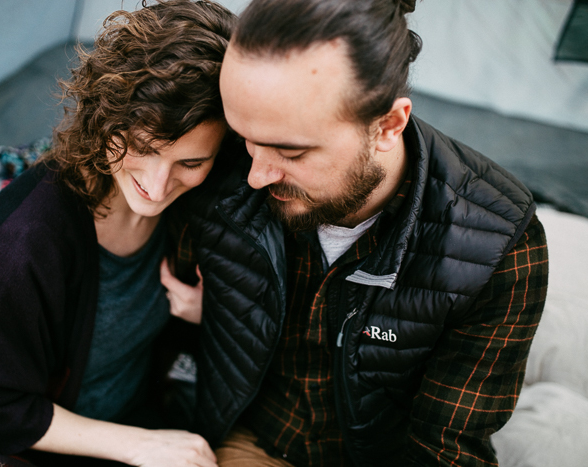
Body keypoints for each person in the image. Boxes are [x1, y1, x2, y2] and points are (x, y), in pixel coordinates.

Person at [167, 0, 549, 465]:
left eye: (291, 152)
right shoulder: (214, 165)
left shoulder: (497, 245)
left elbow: (445, 447)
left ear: (388, 125)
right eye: (246, 138)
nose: (256, 176)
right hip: (245, 438)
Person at [0, 1, 234, 466]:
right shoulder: (26, 242)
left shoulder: (202, 207)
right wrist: (142, 445)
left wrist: (208, 313)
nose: (158, 187)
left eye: (190, 162)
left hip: (137, 416)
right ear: (105, 115)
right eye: (141, 148)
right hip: (25, 446)